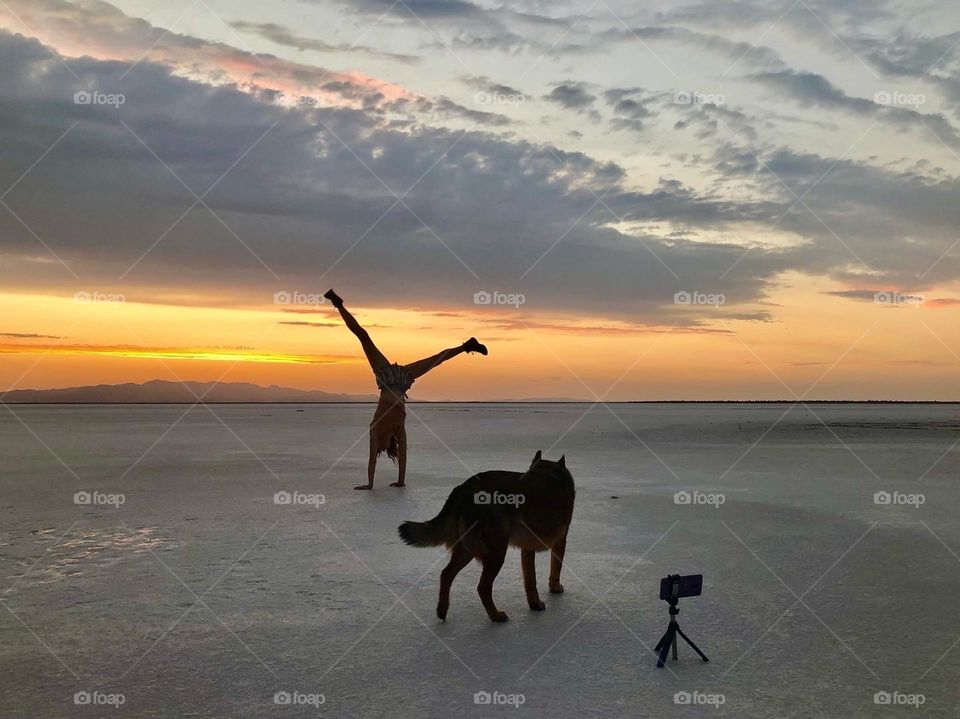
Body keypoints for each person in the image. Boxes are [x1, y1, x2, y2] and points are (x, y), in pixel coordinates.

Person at [324, 289, 488, 490]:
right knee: (436, 360)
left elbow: (372, 460)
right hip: (401, 381)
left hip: (385, 376)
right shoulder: (398, 428)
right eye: (384, 447)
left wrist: (370, 484)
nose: (381, 447)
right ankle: (466, 346)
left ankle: (338, 304)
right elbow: (403, 455)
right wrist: (401, 481)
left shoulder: (374, 429)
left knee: (364, 337)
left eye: (380, 448)